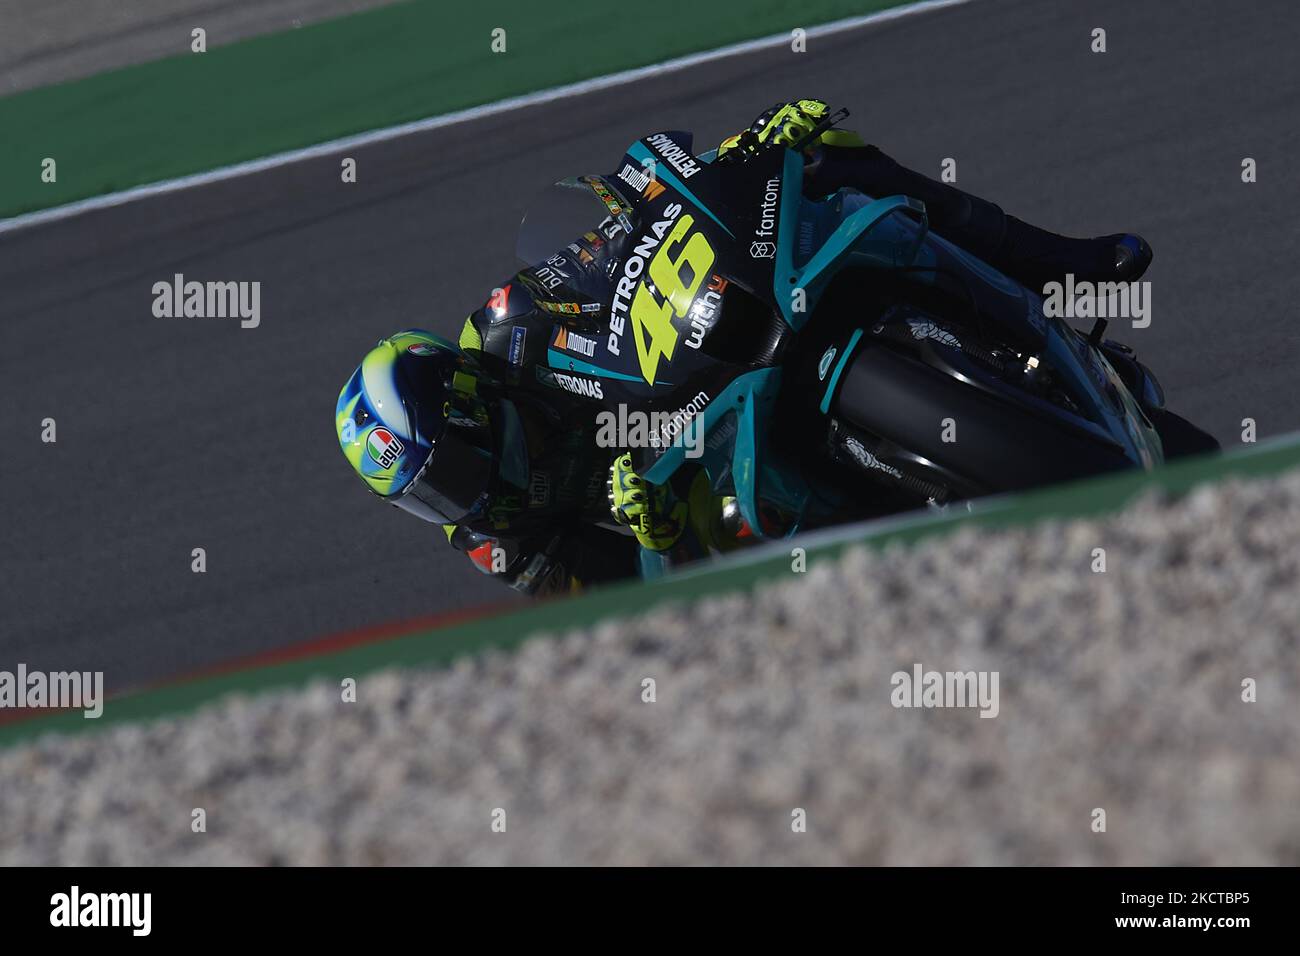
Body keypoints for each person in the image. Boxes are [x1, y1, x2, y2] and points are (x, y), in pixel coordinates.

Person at [334, 99, 1154, 594]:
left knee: (831, 160)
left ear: (470, 397)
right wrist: (654, 542)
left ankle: (1060, 265)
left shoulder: (509, 325)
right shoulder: (497, 542)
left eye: (450, 464)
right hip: (715, 524)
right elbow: (614, 625)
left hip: (712, 366)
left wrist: (733, 154)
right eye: (429, 495)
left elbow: (611, 227)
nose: (459, 494)